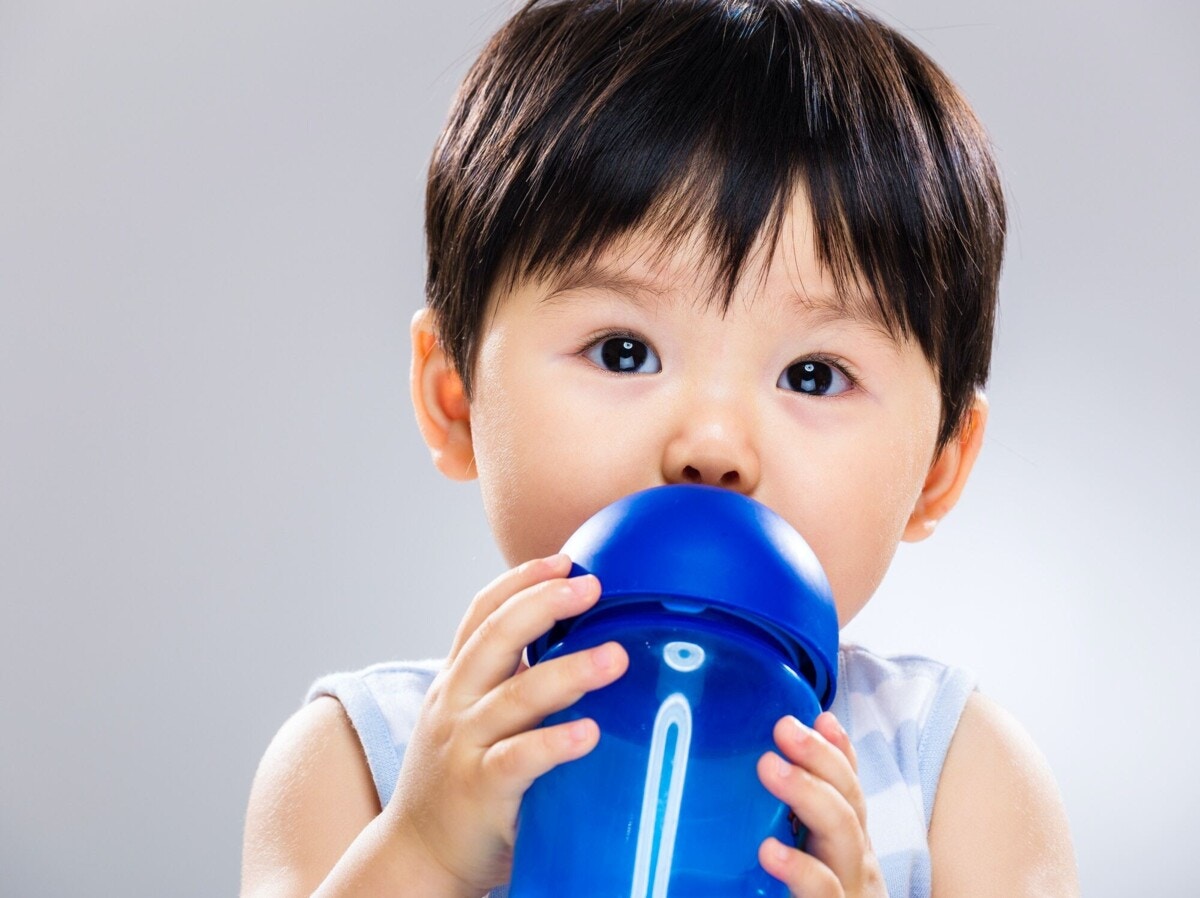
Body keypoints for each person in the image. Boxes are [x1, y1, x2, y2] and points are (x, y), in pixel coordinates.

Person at [240, 1, 1079, 895]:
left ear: (939, 468)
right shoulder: (366, 760)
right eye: (624, 351)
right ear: (454, 397)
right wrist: (421, 852)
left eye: (813, 374)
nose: (712, 448)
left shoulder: (955, 775)